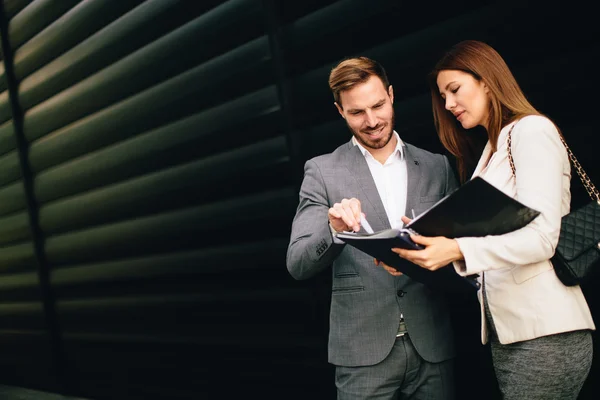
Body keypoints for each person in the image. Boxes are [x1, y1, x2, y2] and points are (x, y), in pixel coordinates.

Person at [378, 40, 596, 400]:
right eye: (443, 95)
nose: (448, 105)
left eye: (455, 89)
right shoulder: (492, 151)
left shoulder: (530, 131)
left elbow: (543, 238)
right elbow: (485, 248)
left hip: (546, 334)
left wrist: (456, 248)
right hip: (511, 335)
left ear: (487, 81)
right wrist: (417, 250)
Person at [286, 56, 460, 399]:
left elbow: (464, 249)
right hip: (361, 352)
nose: (371, 121)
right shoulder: (322, 171)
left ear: (392, 95)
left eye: (378, 105)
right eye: (356, 112)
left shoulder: (436, 166)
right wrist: (333, 230)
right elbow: (298, 263)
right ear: (340, 112)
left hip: (433, 344)